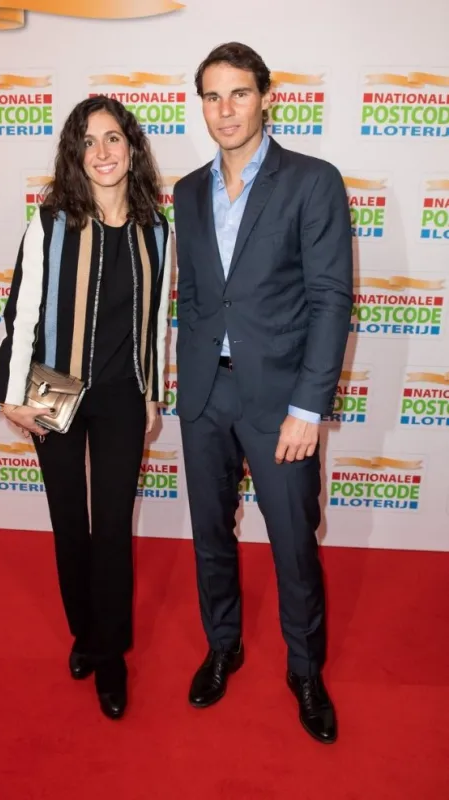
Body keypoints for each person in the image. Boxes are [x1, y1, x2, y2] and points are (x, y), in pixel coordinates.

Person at [174, 42, 353, 744]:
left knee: (293, 545)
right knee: (210, 538)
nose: (225, 110)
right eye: (212, 96)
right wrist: (182, 383)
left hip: (282, 402)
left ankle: (304, 671)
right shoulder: (187, 191)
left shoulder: (312, 180)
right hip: (204, 398)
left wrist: (307, 408)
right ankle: (223, 647)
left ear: (266, 98)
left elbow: (330, 299)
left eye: (239, 93)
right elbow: (194, 296)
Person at [0, 96, 171, 720]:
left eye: (113, 138)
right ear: (76, 154)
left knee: (113, 527)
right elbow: (23, 312)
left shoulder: (156, 229)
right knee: (69, 520)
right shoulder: (50, 223)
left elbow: (156, 322)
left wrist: (152, 394)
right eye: (88, 141)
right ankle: (86, 634)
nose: (102, 152)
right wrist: (12, 394)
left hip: (122, 392)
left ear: (132, 148)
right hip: (54, 387)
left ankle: (111, 651)